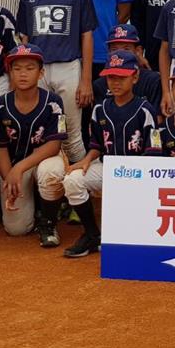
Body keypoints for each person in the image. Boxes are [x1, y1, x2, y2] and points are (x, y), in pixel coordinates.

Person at [61, 50, 162, 258]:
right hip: (109, 169)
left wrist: (130, 174)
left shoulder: (145, 109)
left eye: (121, 77)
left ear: (134, 77)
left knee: (130, 234)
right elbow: (97, 144)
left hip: (139, 174)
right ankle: (91, 235)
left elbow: (154, 151)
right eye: (111, 76)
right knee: (72, 180)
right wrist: (86, 160)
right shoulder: (100, 108)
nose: (115, 82)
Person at [16, 0, 97, 163]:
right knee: (40, 132)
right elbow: (25, 39)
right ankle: (47, 190)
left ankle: (78, 189)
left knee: (71, 133)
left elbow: (87, 35)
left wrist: (86, 79)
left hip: (68, 66)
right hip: (37, 69)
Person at [0, 44, 68, 248]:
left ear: (41, 73)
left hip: (41, 160)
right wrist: (9, 180)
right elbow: (0, 148)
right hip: (12, 165)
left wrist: (19, 168)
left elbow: (53, 145)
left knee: (51, 172)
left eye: (30, 68)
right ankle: (10, 199)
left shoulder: (53, 102)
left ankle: (48, 223)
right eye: (17, 68)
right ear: (10, 73)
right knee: (16, 230)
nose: (23, 74)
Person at [64, 0, 133, 144]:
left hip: (105, 55)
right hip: (71, 56)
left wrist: (109, 32)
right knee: (75, 117)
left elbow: (124, 11)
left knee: (104, 114)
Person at [92, 23, 162, 111]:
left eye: (126, 49)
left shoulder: (153, 81)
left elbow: (157, 120)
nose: (120, 54)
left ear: (138, 51)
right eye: (114, 49)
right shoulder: (100, 84)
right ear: (108, 52)